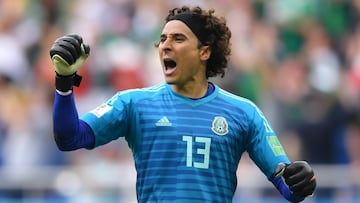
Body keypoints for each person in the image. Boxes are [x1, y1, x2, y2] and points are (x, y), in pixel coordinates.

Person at [50, 5, 316, 203]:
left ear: (204, 51)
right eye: (163, 39)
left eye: (178, 39)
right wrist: (64, 82)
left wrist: (302, 179)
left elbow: (288, 186)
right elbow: (70, 137)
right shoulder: (133, 104)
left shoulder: (244, 113)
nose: (165, 46)